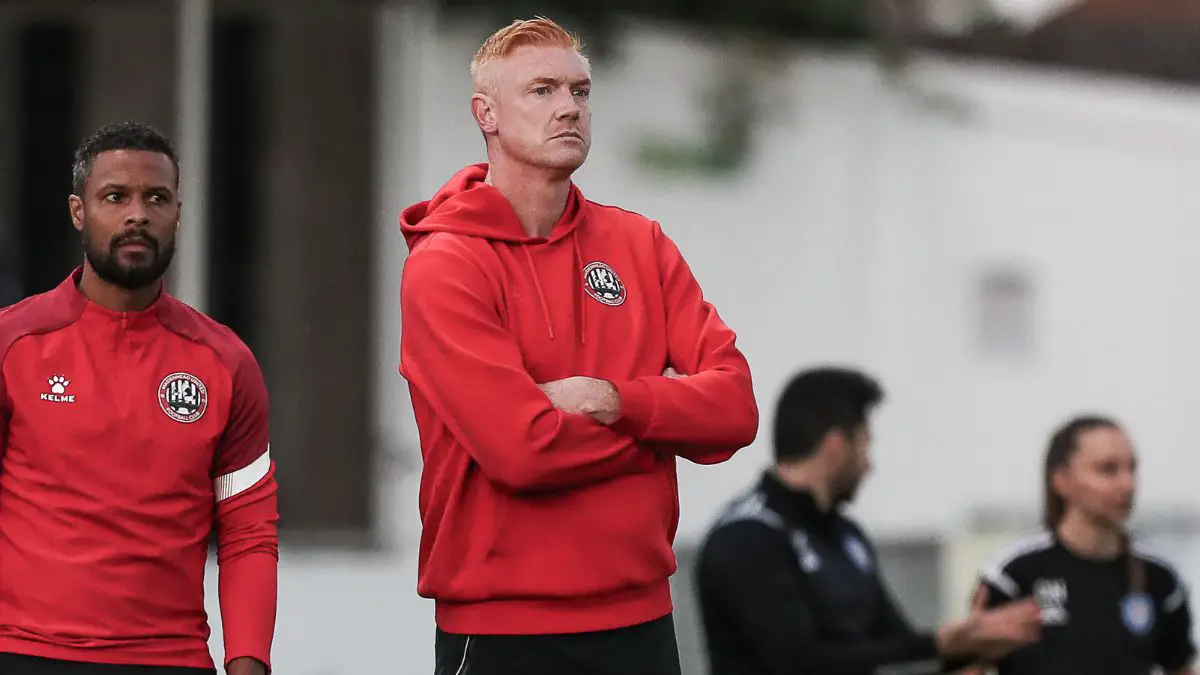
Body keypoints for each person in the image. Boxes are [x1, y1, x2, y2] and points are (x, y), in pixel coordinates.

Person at [397, 16, 759, 675]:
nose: (569, 106)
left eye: (581, 91)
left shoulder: (639, 244)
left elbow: (735, 407)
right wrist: (663, 429)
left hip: (642, 622)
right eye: (542, 90)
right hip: (503, 630)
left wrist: (616, 400)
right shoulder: (445, 263)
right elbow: (521, 450)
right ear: (488, 114)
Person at [0, 122, 278, 675]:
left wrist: (249, 661)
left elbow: (248, 532)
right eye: (115, 197)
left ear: (178, 211)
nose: (137, 215)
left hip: (168, 658)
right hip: (24, 651)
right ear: (79, 212)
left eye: (156, 198)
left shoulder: (226, 363)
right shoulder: (14, 343)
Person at [694, 367, 1043, 675]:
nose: (868, 466)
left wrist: (972, 646)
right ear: (836, 446)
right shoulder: (746, 536)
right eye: (865, 445)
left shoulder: (847, 536)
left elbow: (896, 646)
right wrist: (940, 645)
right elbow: (799, 663)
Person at [964, 415, 1196, 675]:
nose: (1127, 485)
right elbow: (972, 667)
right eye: (1107, 469)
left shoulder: (1159, 576)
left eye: (1131, 469)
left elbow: (1180, 668)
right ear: (1061, 480)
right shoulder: (1014, 573)